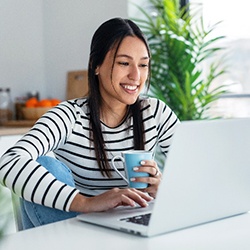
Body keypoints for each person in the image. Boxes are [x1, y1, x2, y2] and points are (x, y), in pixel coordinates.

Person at [0, 17, 179, 229]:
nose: (136, 76)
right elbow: (8, 162)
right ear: (96, 66)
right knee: (45, 165)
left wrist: (165, 188)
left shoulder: (155, 112)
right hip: (75, 226)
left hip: (132, 226)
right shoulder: (69, 116)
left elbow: (198, 173)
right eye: (124, 63)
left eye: (143, 65)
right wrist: (86, 203)